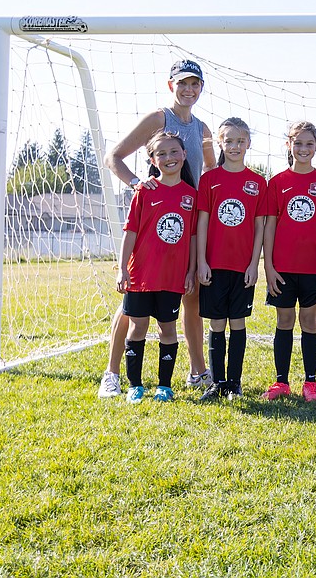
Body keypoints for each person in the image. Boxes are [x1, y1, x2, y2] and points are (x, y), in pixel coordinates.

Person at [98, 59, 216, 398]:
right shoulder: (158, 118)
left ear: (201, 88)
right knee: (133, 305)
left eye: (195, 84)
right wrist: (138, 183)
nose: (189, 90)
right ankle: (112, 374)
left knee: (190, 298)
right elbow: (113, 156)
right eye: (182, 83)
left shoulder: (203, 129)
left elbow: (208, 172)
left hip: (187, 220)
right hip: (154, 218)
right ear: (171, 86)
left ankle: (198, 372)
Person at [118, 131, 198, 404]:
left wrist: (191, 271)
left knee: (167, 329)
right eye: (161, 154)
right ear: (152, 159)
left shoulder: (191, 196)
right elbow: (130, 232)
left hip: (172, 277)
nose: (168, 158)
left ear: (184, 155)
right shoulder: (144, 192)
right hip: (141, 275)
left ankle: (165, 387)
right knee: (138, 327)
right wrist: (122, 269)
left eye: (174, 152)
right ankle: (135, 385)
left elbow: (194, 237)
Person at [260, 121, 316, 402]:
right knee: (284, 320)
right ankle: (281, 382)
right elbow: (269, 226)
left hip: (314, 267)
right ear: (288, 145)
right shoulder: (277, 182)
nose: (303, 149)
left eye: (309, 144)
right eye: (298, 143)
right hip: (282, 267)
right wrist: (268, 266)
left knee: (309, 320)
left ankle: (310, 382)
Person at [195, 118, 266, 401]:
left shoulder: (258, 182)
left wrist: (254, 263)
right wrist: (201, 261)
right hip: (213, 265)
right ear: (220, 144)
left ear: (248, 143)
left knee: (238, 323)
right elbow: (202, 223)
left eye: (240, 141)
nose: (235, 146)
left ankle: (234, 383)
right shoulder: (209, 180)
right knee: (216, 324)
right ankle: (217, 382)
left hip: (242, 266)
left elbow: (260, 227)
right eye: (229, 141)